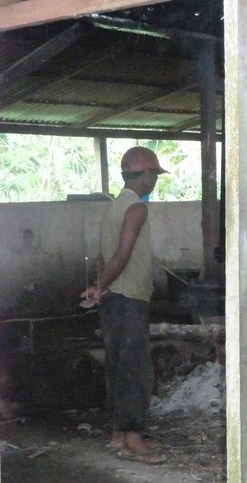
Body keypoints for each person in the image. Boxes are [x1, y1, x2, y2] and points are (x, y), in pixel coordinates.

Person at [80, 146, 169, 464]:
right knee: (135, 370)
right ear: (145, 175)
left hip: (113, 299)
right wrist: (101, 287)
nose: (154, 181)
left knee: (117, 366)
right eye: (154, 175)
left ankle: (118, 435)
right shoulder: (137, 209)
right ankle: (133, 440)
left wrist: (98, 287)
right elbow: (122, 255)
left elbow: (103, 257)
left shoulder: (114, 206)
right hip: (129, 298)